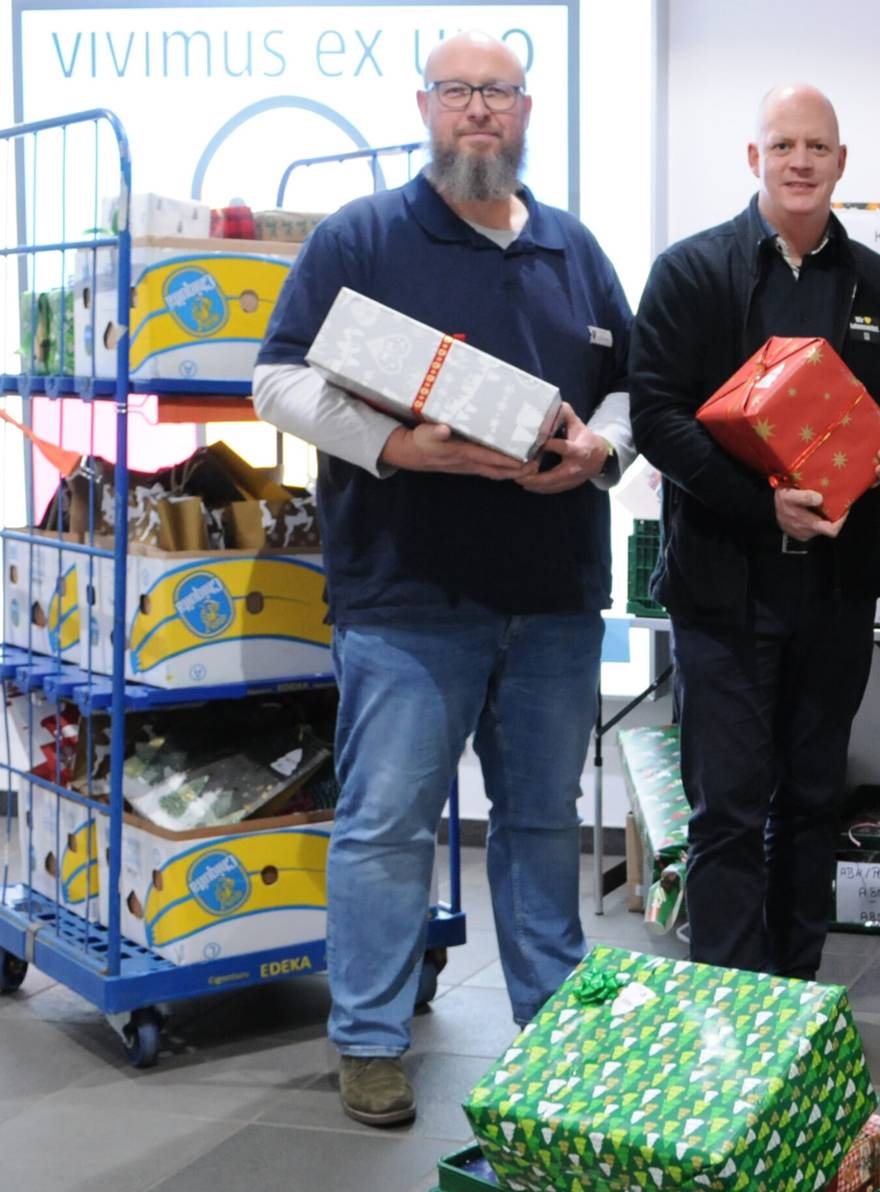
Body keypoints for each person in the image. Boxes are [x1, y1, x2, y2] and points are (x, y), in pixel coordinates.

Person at [253, 31, 635, 1127]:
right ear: (426, 104)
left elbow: (627, 388)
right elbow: (276, 381)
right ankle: (370, 1040)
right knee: (387, 825)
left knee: (541, 821)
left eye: (499, 93)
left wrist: (602, 450)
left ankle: (556, 1033)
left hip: (556, 593)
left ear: (527, 110)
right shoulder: (363, 237)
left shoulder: (572, 248)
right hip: (407, 594)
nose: (480, 110)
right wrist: (395, 448)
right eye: (460, 91)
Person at [629, 85, 880, 979]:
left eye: (817, 146)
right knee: (726, 809)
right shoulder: (692, 271)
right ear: (754, 159)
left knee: (813, 798)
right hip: (725, 586)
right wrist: (763, 502)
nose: (801, 161)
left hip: (835, 589)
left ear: (840, 162)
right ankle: (725, 1005)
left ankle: (792, 997)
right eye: (783, 144)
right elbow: (655, 419)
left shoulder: (879, 284)